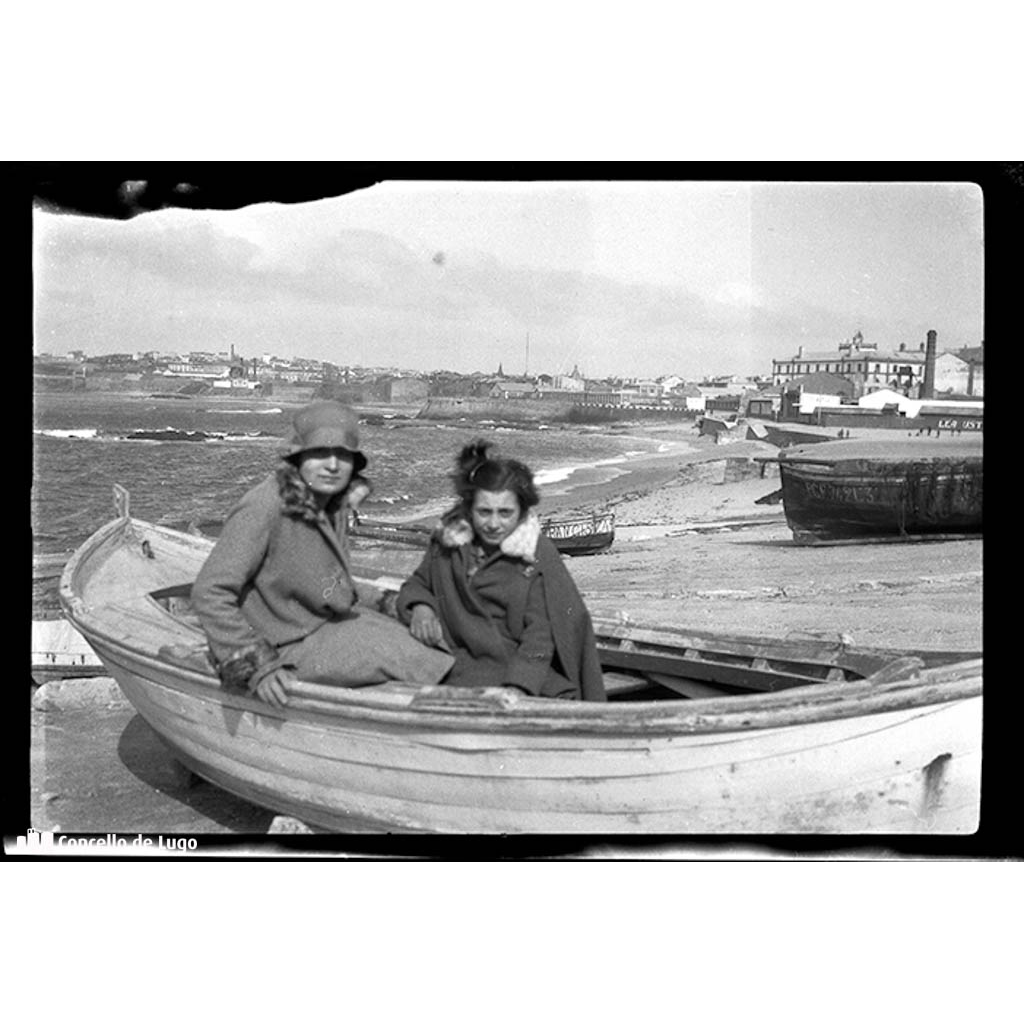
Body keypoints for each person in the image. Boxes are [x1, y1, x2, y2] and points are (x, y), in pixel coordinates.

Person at [192, 401, 453, 707]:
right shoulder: (264, 507)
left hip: (321, 627)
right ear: (297, 459)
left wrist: (398, 605)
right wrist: (257, 665)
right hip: (282, 644)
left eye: (343, 456)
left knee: (439, 635)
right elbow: (210, 592)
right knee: (412, 656)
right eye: (319, 454)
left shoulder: (330, 506)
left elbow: (333, 587)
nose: (332, 465)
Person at [396, 441, 606, 702]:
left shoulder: (535, 555)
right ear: (469, 509)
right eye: (484, 512)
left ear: (521, 513)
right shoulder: (450, 542)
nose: (493, 524)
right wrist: (421, 607)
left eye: (505, 513)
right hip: (450, 660)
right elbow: (419, 583)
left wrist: (518, 687)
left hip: (515, 669)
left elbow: (540, 637)